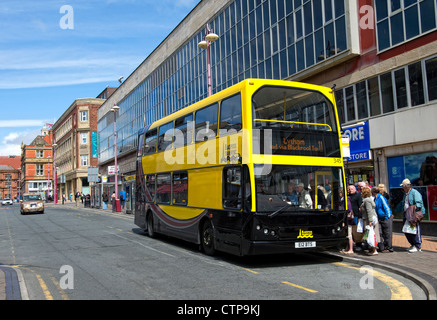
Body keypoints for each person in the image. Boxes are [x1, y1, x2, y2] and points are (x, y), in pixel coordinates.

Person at [400, 179, 425, 253]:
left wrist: (413, 210)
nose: (403, 188)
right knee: (406, 230)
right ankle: (412, 244)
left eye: (403, 186)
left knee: (415, 229)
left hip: (413, 214)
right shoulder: (406, 193)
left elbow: (419, 203)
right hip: (406, 214)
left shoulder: (415, 192)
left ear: (407, 186)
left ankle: (417, 246)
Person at [371, 187, 393, 253]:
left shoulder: (381, 197)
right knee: (380, 233)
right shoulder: (375, 198)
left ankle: (389, 247)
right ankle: (382, 247)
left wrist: (388, 216)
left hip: (385, 218)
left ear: (373, 192)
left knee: (387, 233)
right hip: (379, 218)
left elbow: (386, 207)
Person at [360, 187, 380, 255]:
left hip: (369, 219)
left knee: (370, 234)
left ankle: (374, 250)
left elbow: (369, 211)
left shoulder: (367, 200)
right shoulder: (368, 200)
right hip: (371, 219)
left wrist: (370, 221)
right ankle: (372, 249)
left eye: (362, 192)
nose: (361, 193)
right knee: (371, 234)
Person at [347, 184, 363, 251]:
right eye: (349, 189)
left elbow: (360, 206)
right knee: (350, 231)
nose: (350, 190)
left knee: (357, 232)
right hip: (349, 216)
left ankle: (359, 245)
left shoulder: (358, 195)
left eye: (352, 189)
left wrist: (359, 216)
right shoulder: (348, 196)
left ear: (355, 189)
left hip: (356, 216)